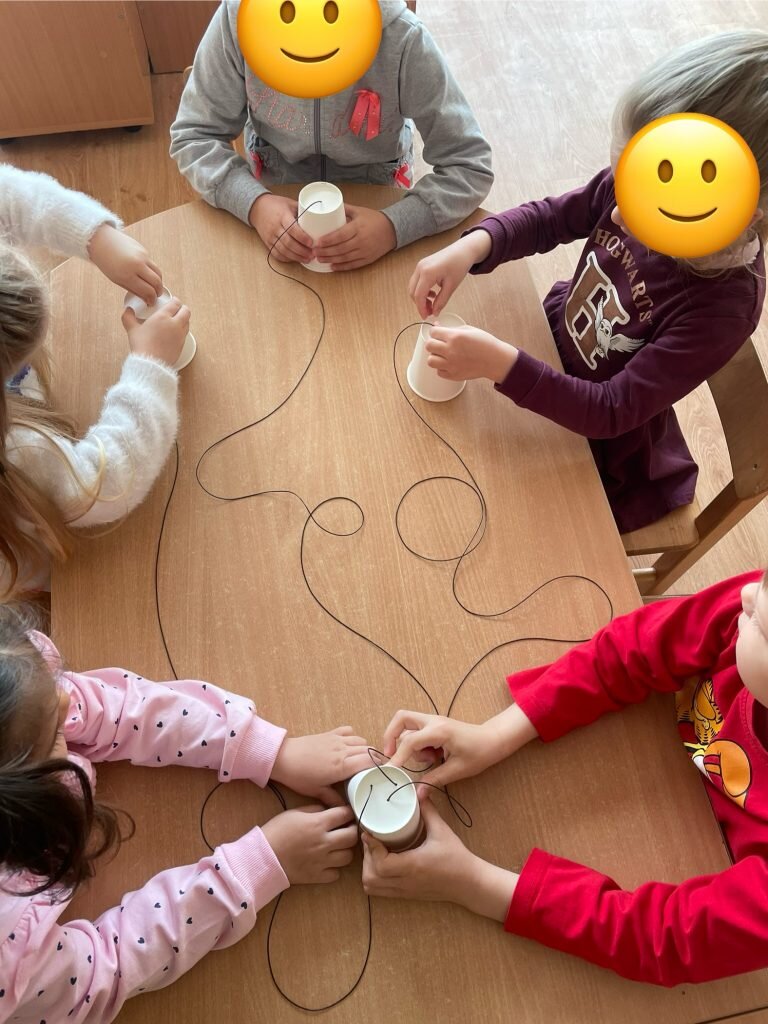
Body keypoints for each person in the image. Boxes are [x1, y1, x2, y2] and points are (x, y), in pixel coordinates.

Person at [408, 30, 768, 533]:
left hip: (598, 445)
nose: (616, 211)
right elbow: (552, 218)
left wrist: (500, 364)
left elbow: (611, 410)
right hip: (551, 346)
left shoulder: (722, 309)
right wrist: (472, 247)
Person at [363, 570, 768, 986]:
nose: (746, 593)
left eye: (762, 627)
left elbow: (668, 940)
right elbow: (636, 647)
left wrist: (472, 883)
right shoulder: (750, 602)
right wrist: (497, 735)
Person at [0, 603, 369, 1020]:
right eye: (54, 734)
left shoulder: (20, 687)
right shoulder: (9, 964)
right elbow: (108, 966)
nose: (67, 698)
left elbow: (118, 710)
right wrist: (256, 867)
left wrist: (266, 751)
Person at [170, 0, 493, 271]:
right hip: (275, 200)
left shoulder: (403, 39)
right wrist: (254, 204)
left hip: (376, 204)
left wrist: (394, 226)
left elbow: (470, 166)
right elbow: (194, 136)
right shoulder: (238, 20)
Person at [0, 163, 189, 596]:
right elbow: (104, 485)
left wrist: (95, 236)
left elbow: (9, 196)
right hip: (25, 572)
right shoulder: (16, 454)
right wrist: (149, 367)